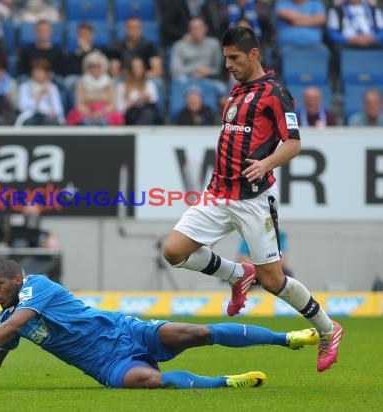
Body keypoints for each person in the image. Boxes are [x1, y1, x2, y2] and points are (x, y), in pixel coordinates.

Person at [161, 26, 343, 373]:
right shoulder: (235, 92)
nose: (228, 64)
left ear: (254, 55)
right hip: (217, 192)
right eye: (226, 57)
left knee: (273, 280)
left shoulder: (275, 94)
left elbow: (293, 143)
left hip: (253, 199)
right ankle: (236, 275)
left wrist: (266, 163)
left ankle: (327, 328)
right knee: (173, 250)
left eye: (235, 58)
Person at [0, 259, 319, 389]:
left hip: (125, 330)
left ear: (16, 280)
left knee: (198, 332)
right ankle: (228, 383)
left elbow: (15, 325)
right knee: (151, 382)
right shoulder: (7, 318)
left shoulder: (35, 289)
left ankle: (288, 338)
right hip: (105, 365)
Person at [170, 16, 227, 97]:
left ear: (205, 28)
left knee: (222, 88)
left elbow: (218, 68)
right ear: (189, 30)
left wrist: (208, 72)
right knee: (180, 79)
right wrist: (196, 69)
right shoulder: (179, 45)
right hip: (187, 79)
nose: (196, 31)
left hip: (208, 79)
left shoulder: (214, 44)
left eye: (199, 28)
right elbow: (175, 71)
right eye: (193, 28)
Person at [66, 51, 124, 126]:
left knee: (108, 120)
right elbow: (79, 104)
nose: (95, 69)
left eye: (98, 66)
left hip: (105, 113)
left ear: (103, 66)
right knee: (84, 121)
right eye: (92, 66)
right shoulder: (81, 83)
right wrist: (90, 113)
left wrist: (101, 113)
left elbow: (112, 104)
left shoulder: (110, 83)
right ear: (87, 67)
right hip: (86, 113)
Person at [16, 58, 65, 126]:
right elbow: (22, 107)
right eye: (35, 71)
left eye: (40, 71)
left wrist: (52, 113)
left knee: (51, 123)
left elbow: (58, 109)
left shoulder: (52, 88)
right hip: (30, 117)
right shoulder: (25, 87)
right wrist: (38, 96)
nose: (37, 74)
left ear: (46, 73)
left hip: (48, 118)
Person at [116, 57, 159, 125]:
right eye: (134, 67)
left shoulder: (150, 84)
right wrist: (137, 100)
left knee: (148, 112)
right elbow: (119, 108)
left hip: (146, 112)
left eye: (140, 67)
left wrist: (145, 99)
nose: (137, 70)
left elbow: (154, 101)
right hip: (130, 115)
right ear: (130, 69)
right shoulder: (122, 86)